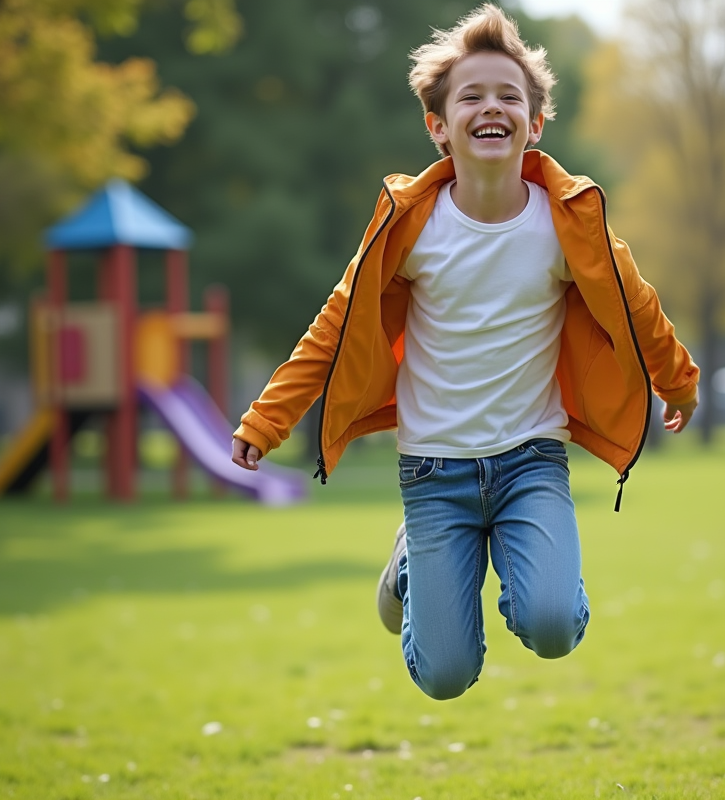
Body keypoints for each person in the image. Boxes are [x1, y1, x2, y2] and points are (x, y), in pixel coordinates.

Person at [231, 3, 699, 700]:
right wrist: (267, 421)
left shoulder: (568, 223)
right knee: (445, 676)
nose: (492, 107)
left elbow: (640, 311)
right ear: (438, 127)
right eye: (471, 96)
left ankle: (517, 578)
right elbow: (333, 326)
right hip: (434, 471)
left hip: (530, 462)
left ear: (534, 124)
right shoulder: (409, 228)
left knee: (552, 626)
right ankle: (413, 570)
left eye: (509, 96)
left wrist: (679, 384)